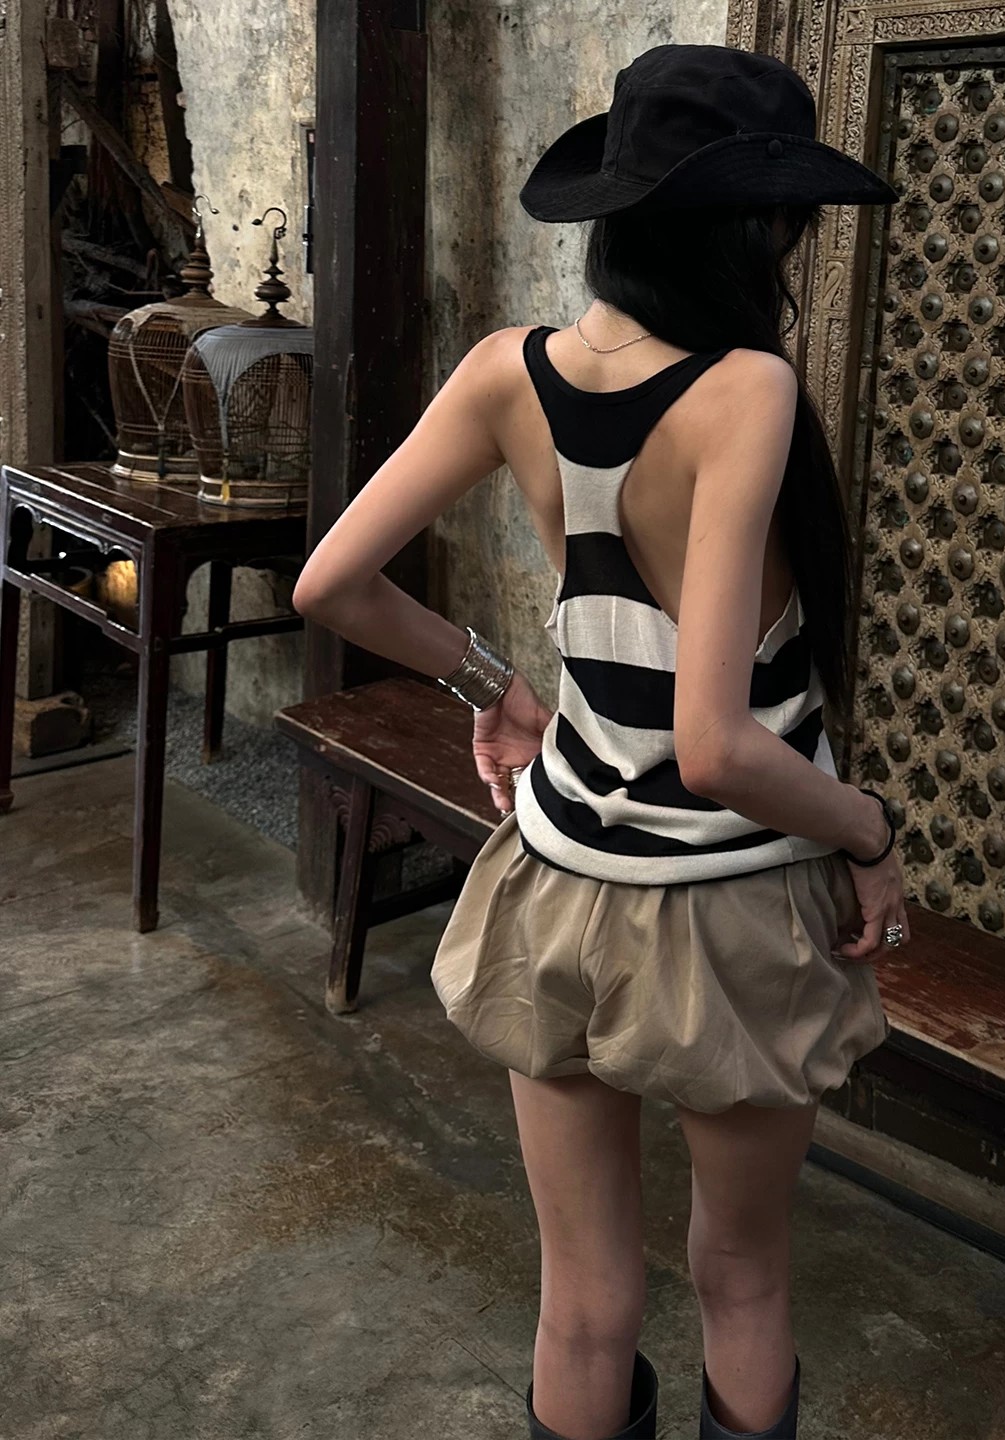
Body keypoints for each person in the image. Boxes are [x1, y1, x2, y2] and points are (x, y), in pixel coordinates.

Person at [292, 42, 906, 1440]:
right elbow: (717, 746)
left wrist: (491, 684)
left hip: (558, 877)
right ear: (758, 227)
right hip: (733, 902)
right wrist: (872, 831)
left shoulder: (508, 371)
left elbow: (331, 584)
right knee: (743, 1279)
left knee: (581, 1303)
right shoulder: (746, 390)